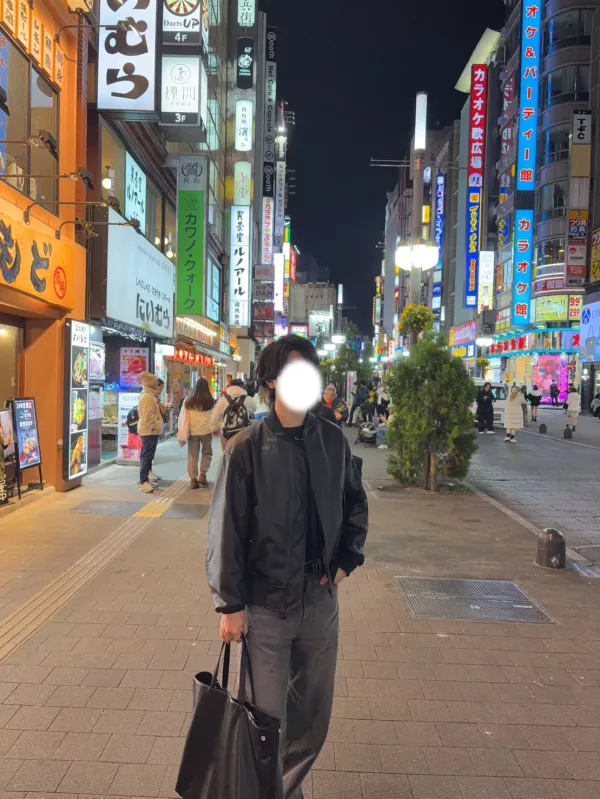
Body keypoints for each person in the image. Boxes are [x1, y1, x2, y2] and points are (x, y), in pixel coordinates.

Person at [207, 334, 368, 799]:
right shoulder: (246, 448)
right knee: (265, 721)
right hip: (265, 607)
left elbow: (355, 504)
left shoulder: (332, 441)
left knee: (312, 719)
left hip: (320, 602)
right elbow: (225, 530)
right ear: (271, 381)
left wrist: (345, 562)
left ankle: (281, 789)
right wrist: (230, 605)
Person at [179, 378, 214, 488]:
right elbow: (213, 416)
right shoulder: (210, 400)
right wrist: (215, 428)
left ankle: (193, 480)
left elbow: (182, 416)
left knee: (192, 456)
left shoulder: (188, 400)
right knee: (207, 453)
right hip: (206, 431)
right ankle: (203, 475)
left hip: (192, 432)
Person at [137, 372, 164, 493]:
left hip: (150, 431)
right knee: (147, 456)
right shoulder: (147, 397)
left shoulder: (148, 395)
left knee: (148, 455)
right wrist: (157, 425)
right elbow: (148, 417)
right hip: (149, 431)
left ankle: (146, 479)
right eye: (155, 383)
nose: (157, 385)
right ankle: (143, 481)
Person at [211, 378, 257, 448]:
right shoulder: (248, 399)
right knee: (243, 453)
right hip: (244, 432)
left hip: (226, 433)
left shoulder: (223, 400)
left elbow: (215, 416)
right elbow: (254, 408)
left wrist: (214, 429)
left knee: (226, 453)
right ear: (242, 387)